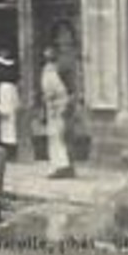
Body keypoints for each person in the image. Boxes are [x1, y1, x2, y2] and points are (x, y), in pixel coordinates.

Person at [40, 45, 77, 180]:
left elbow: (63, 91)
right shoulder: (47, 70)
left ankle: (63, 167)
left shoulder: (57, 71)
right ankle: (58, 165)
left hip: (59, 108)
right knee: (54, 137)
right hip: (53, 108)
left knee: (59, 137)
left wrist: (62, 106)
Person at [0, 48, 21, 198]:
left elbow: (17, 79)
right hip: (2, 92)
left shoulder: (13, 65)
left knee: (11, 122)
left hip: (11, 92)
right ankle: (4, 146)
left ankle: (10, 147)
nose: (4, 53)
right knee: (4, 121)